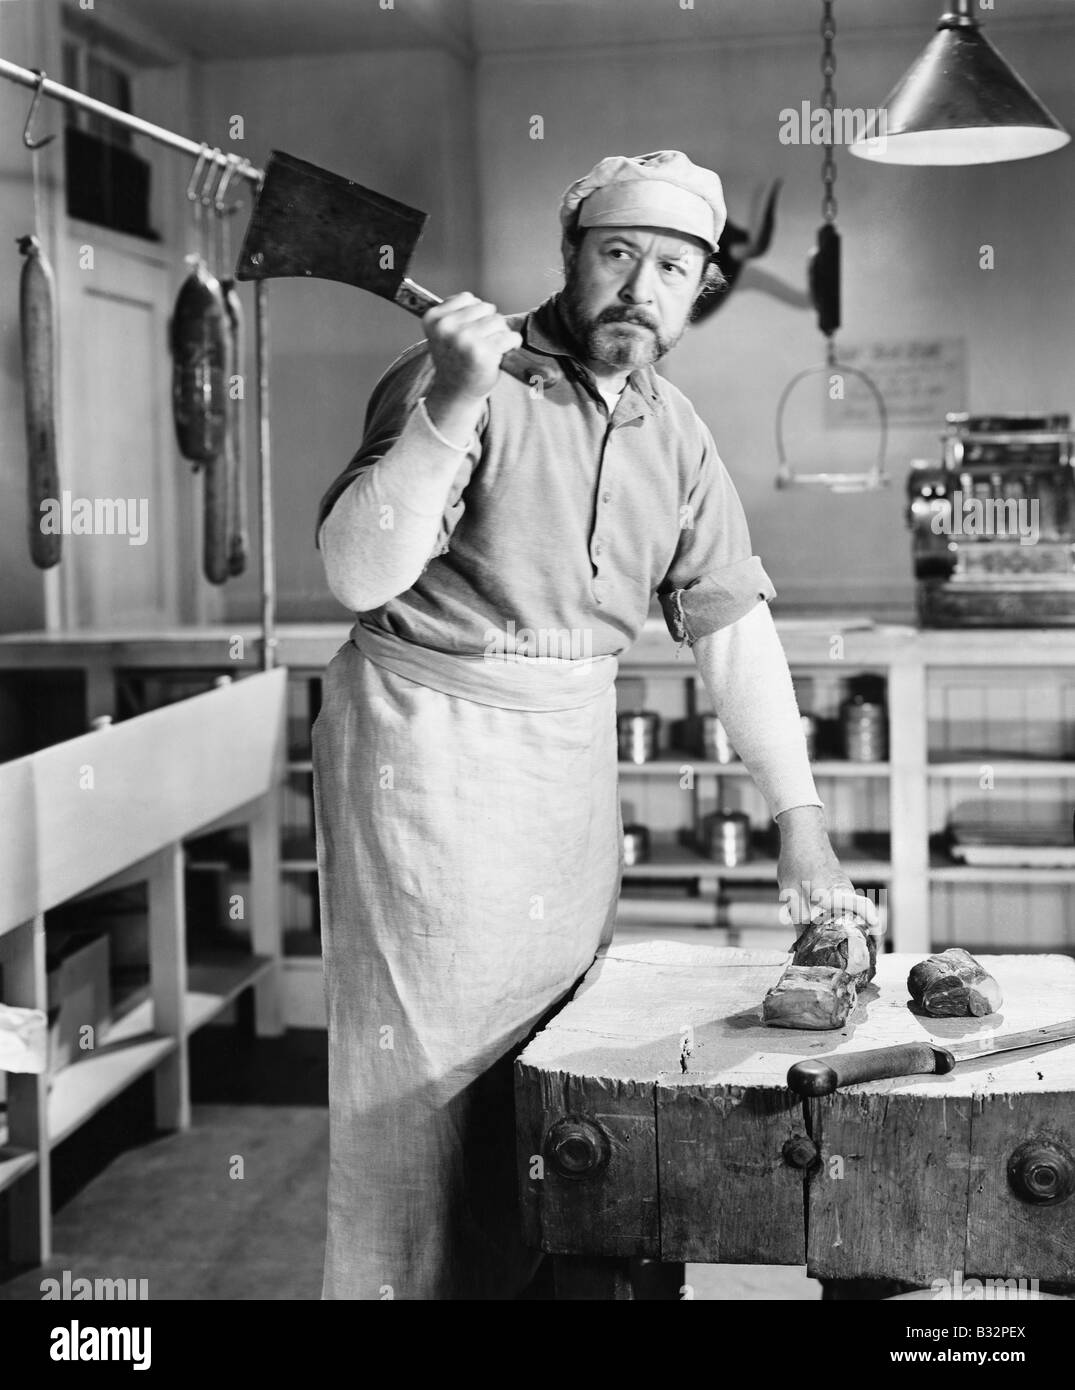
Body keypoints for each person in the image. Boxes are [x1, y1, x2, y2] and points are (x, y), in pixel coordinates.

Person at [312, 150, 880, 1301]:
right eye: (617, 253)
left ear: (700, 288)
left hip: (564, 757)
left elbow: (732, 631)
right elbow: (354, 573)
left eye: (673, 266)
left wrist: (800, 816)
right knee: (419, 1083)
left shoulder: (676, 432)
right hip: (423, 743)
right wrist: (453, 401)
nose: (641, 286)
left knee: (550, 1051)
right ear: (571, 256)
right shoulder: (452, 373)